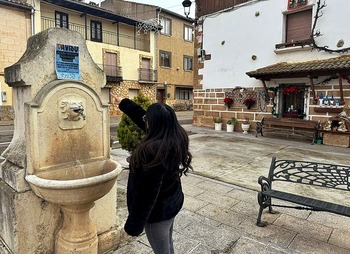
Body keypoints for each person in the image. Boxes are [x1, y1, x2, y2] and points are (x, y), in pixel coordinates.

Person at [111, 93, 193, 254]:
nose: (145, 120)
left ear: (152, 124)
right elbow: (143, 117)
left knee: (162, 250)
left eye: (148, 119)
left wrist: (133, 226)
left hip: (157, 214)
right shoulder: (175, 137)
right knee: (168, 245)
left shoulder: (151, 153)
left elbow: (146, 195)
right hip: (173, 203)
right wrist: (125, 103)